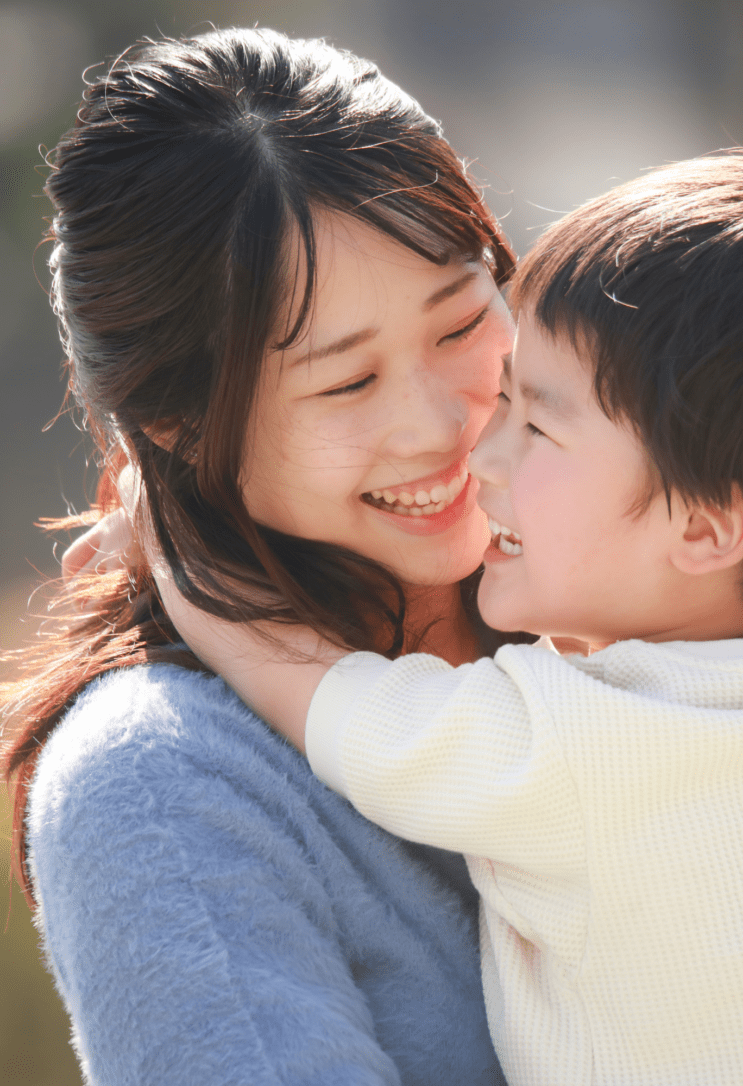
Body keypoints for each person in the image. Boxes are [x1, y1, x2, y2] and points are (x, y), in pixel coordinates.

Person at [157, 153, 743, 1086]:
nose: (478, 451)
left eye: (539, 427)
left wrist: (171, 541)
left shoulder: (585, 742)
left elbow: (329, 702)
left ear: (707, 526)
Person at [0, 24, 526, 1085]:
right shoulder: (160, 783)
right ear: (180, 426)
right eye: (345, 383)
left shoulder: (632, 587)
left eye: (461, 322)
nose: (439, 424)